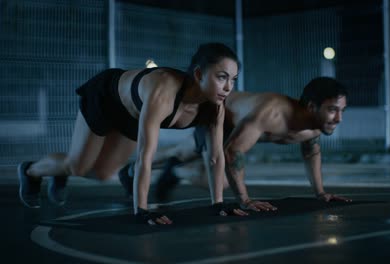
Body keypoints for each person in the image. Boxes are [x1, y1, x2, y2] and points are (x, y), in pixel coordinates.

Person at [17, 42, 245, 224]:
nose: (228, 87)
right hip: (106, 98)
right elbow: (145, 157)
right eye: (221, 77)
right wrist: (142, 211)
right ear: (198, 74)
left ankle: (60, 169)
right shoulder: (163, 92)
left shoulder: (216, 106)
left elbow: (215, 157)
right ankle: (31, 171)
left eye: (233, 79)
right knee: (78, 166)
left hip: (131, 115)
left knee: (104, 174)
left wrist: (218, 204)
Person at [119, 77, 352, 212]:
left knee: (184, 151)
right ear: (312, 106)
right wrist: (245, 200)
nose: (339, 119)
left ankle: (131, 170)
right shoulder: (271, 114)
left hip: (235, 120)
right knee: (220, 179)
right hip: (220, 114)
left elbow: (311, 153)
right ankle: (177, 172)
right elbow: (233, 152)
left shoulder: (314, 125)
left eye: (341, 110)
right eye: (332, 110)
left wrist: (320, 193)